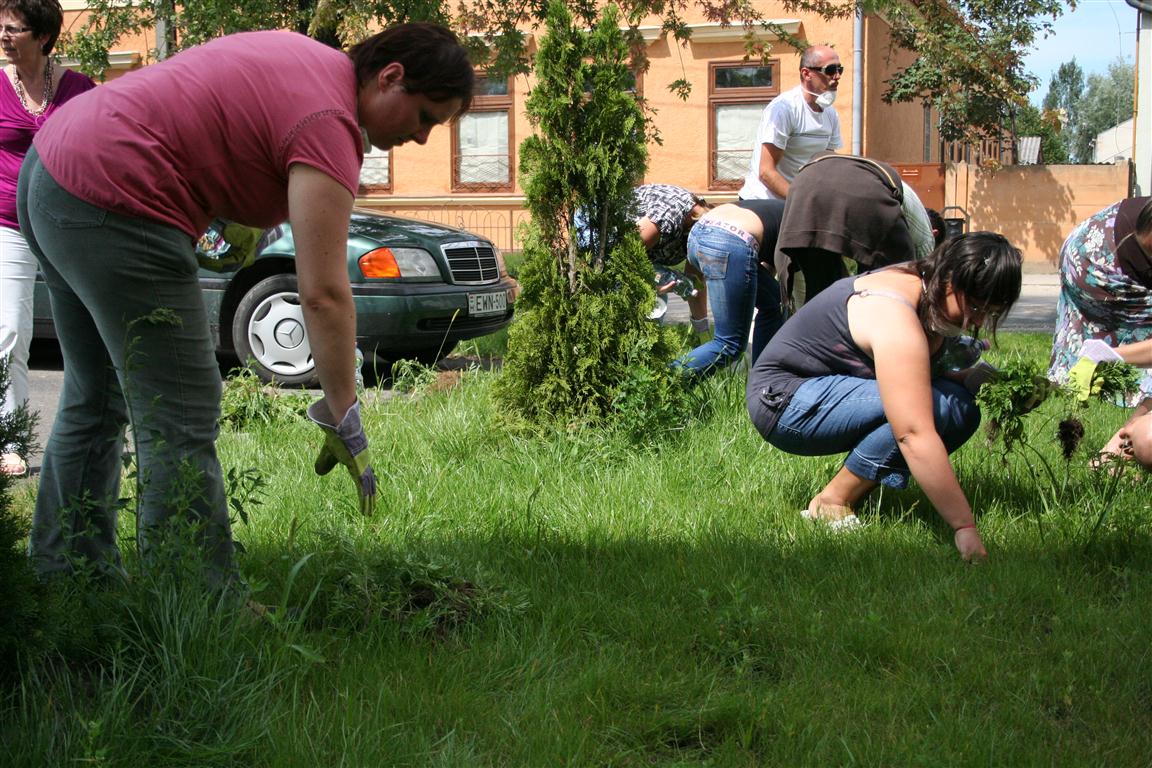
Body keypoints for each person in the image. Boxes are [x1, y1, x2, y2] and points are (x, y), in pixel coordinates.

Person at [17, 24, 473, 586]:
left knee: (98, 394)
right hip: (114, 196)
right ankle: (197, 597)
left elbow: (212, 122)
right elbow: (323, 293)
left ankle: (67, 578)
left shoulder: (308, 61)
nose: (422, 137)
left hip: (52, 169)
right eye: (425, 117)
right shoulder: (329, 122)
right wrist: (344, 412)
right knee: (180, 413)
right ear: (391, 77)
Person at [747, 232, 1024, 562]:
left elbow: (923, 370)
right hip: (785, 402)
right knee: (933, 410)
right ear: (950, 278)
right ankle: (832, 502)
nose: (976, 321)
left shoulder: (928, 289)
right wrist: (964, 526)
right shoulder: (892, 310)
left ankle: (840, 496)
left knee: (959, 407)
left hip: (829, 393)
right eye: (975, 306)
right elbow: (913, 432)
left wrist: (980, 381)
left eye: (989, 312)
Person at [0, 0, 94, 478]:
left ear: (42, 36)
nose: (4, 36)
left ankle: (91, 437)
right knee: (10, 331)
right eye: (2, 28)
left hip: (66, 224)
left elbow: (101, 149)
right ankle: (9, 440)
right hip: (8, 224)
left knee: (87, 331)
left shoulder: (78, 89)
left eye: (14, 29)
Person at [1048, 197, 1152, 462]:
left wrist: (1111, 355)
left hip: (1094, 256)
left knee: (1147, 440)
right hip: (1095, 263)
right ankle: (1115, 454)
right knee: (1147, 440)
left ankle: (1114, 455)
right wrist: (1108, 355)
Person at [772, 152, 939, 308]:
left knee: (819, 293)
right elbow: (923, 277)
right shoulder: (925, 231)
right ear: (935, 232)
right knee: (890, 286)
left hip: (805, 186)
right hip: (864, 194)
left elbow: (802, 286)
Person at [675, 199, 785, 376]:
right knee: (729, 344)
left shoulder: (788, 211)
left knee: (773, 302)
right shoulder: (806, 229)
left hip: (699, 231)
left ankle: (762, 381)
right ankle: (664, 382)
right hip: (730, 240)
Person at [738, 45, 843, 201]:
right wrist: (802, 202)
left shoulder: (831, 113)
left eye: (840, 70)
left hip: (796, 202)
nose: (837, 76)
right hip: (763, 201)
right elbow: (766, 172)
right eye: (830, 70)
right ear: (806, 74)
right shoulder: (784, 108)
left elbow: (826, 165)